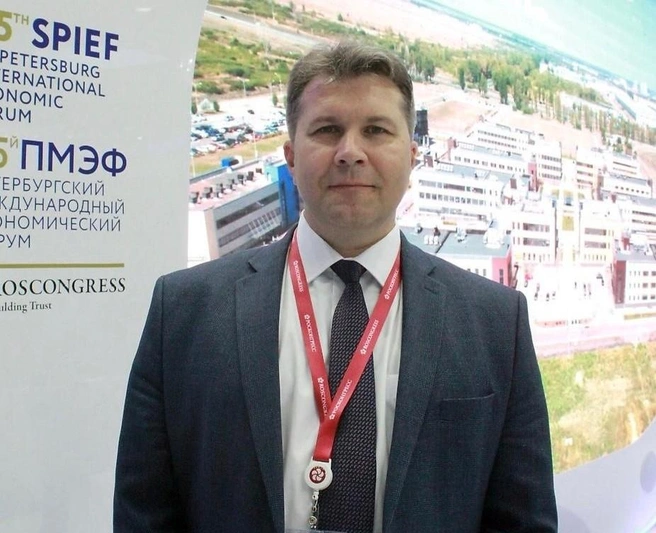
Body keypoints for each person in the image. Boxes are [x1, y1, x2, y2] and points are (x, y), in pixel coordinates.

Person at [114, 41, 557, 532]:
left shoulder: (495, 324)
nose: (350, 153)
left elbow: (522, 520)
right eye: (327, 130)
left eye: (376, 130)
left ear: (412, 155)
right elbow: (144, 514)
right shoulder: (184, 312)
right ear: (290, 156)